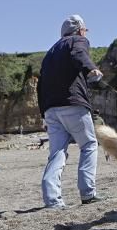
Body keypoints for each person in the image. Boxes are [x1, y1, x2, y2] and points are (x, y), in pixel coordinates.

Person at [37, 14, 103, 209]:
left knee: (57, 152)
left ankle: (52, 199)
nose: (85, 33)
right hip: (73, 104)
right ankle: (88, 193)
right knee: (89, 144)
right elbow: (78, 54)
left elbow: (40, 84)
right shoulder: (77, 40)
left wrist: (44, 112)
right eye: (84, 30)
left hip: (51, 108)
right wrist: (92, 69)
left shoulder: (50, 52)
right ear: (79, 30)